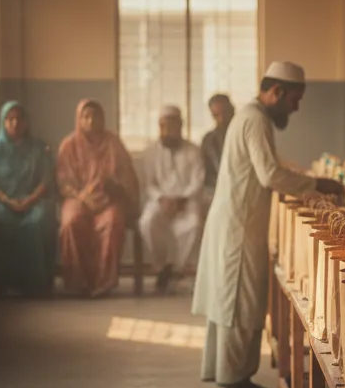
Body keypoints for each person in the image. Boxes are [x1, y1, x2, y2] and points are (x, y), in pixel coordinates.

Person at [192, 61, 344, 388]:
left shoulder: (251, 117)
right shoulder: (255, 119)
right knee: (238, 302)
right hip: (239, 225)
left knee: (236, 300)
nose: (296, 107)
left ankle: (233, 378)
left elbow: (270, 165)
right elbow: (270, 175)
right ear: (275, 92)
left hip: (240, 220)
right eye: (294, 99)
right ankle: (236, 385)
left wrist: (303, 179)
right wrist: (318, 184)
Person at [56, 99, 140, 298]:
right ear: (79, 119)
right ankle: (77, 282)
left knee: (113, 222)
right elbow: (63, 181)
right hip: (78, 199)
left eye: (96, 116)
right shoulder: (69, 145)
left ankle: (104, 282)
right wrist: (81, 196)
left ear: (103, 119)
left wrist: (114, 189)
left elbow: (127, 177)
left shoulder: (113, 143)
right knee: (70, 222)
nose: (91, 121)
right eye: (86, 117)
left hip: (108, 199)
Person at [0, 101, 57, 297]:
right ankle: (5, 284)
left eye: (19, 119)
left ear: (26, 123)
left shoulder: (38, 147)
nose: (15, 123)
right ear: (3, 122)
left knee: (38, 221)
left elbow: (46, 179)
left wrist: (30, 200)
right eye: (10, 119)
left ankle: (37, 284)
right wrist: (8, 201)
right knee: (1, 220)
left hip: (35, 201)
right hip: (4, 202)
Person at [139, 105, 206, 293]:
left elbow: (197, 181)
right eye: (164, 126)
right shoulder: (150, 152)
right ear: (159, 127)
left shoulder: (193, 150)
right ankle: (162, 267)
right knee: (147, 222)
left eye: (173, 126)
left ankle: (177, 269)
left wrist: (181, 200)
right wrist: (162, 199)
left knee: (193, 225)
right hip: (160, 202)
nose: (168, 131)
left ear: (181, 126)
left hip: (186, 201)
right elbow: (149, 184)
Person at [201, 93, 235, 201]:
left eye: (225, 113)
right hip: (216, 192)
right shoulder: (208, 140)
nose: (222, 119)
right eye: (216, 115)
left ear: (233, 110)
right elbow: (206, 174)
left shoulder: (244, 134)